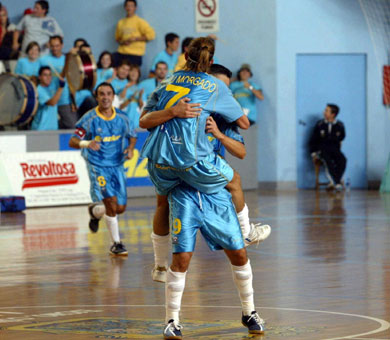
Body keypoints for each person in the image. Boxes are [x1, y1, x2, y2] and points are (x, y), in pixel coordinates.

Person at [141, 63, 270, 283]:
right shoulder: (184, 108)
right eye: (221, 87)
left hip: (203, 182)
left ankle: (161, 268)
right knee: (168, 213)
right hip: (192, 170)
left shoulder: (221, 119)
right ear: (207, 83)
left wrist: (219, 135)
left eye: (227, 90)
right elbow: (145, 121)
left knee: (232, 248)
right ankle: (163, 269)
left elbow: (241, 151)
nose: (223, 93)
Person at [162, 183, 265, 339]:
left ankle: (249, 312)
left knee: (239, 254)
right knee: (181, 258)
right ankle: (171, 320)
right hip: (183, 195)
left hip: (216, 196)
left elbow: (241, 157)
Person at [69, 82, 137, 256]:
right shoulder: (89, 118)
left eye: (108, 94)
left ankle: (95, 212)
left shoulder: (122, 117)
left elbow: (132, 136)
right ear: (97, 97)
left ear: (113, 97)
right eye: (101, 94)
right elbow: (73, 141)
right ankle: (116, 243)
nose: (105, 97)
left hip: (117, 165)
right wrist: (86, 143)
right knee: (110, 202)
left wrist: (129, 149)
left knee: (120, 208)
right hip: (98, 165)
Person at [39, 35, 77, 129]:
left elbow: (72, 81)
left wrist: (73, 102)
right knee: (46, 127)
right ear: (49, 46)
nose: (55, 48)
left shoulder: (68, 59)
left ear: (62, 45)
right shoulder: (43, 60)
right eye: (52, 46)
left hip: (63, 100)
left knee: (72, 126)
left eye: (57, 45)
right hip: (48, 99)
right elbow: (38, 78)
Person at [309, 104, 346, 191]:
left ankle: (334, 182)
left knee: (343, 160)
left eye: (326, 110)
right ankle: (337, 182)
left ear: (333, 114)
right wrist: (313, 153)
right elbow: (313, 140)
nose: (324, 112)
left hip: (335, 150)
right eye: (325, 110)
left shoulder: (340, 125)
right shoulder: (320, 124)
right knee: (328, 161)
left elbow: (341, 137)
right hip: (322, 150)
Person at [113, 0, 155, 67]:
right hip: (121, 52)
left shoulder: (140, 21)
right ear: (125, 7)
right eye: (127, 6)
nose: (129, 8)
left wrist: (135, 39)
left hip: (135, 54)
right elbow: (117, 38)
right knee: (110, 59)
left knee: (131, 74)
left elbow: (151, 35)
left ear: (135, 8)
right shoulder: (120, 22)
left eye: (131, 6)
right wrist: (123, 42)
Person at [31, 65, 64, 130]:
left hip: (53, 129)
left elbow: (63, 75)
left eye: (49, 75)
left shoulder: (51, 87)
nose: (48, 77)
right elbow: (52, 102)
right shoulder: (38, 90)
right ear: (40, 77)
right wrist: (61, 87)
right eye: (45, 75)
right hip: (41, 129)